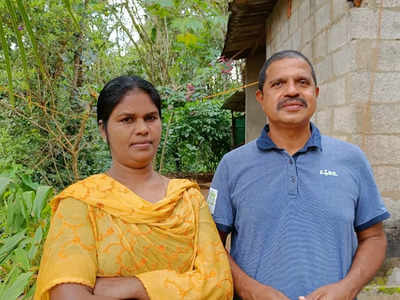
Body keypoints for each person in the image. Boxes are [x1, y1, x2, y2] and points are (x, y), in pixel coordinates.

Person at [208, 50, 390, 300]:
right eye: (278, 83)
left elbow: (374, 237)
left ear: (315, 93)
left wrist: (348, 288)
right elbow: (210, 244)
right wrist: (249, 290)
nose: (292, 90)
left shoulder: (351, 160)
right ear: (261, 97)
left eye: (302, 82)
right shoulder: (232, 166)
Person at [34, 75, 233, 300]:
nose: (142, 129)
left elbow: (219, 283)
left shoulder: (188, 198)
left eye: (150, 118)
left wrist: (137, 287)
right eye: (127, 120)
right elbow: (67, 295)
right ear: (103, 129)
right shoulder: (81, 203)